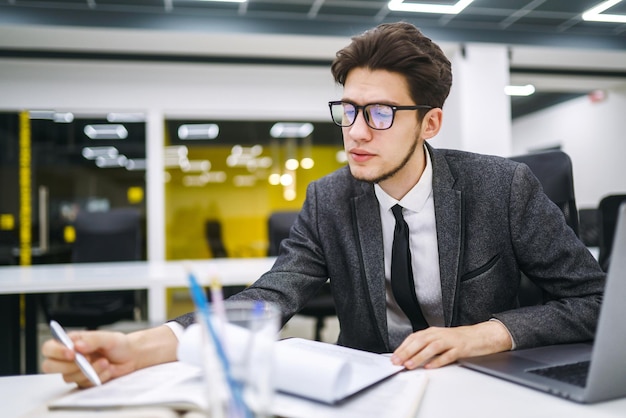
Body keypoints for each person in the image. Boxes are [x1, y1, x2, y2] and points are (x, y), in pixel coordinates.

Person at [42, 21, 605, 388]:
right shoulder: (330, 198)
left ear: (429, 122)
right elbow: (269, 298)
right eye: (348, 110)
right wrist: (138, 348)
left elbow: (597, 301)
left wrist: (482, 334)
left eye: (380, 113)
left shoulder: (503, 188)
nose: (356, 132)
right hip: (368, 391)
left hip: (492, 389)